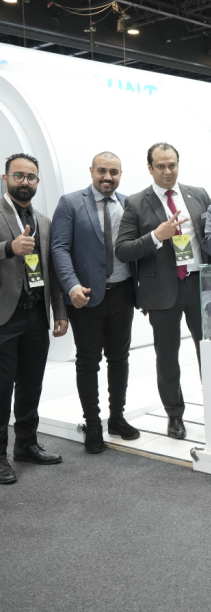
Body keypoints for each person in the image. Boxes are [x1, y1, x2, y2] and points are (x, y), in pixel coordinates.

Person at [115, 142, 211, 440]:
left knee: (209, 351)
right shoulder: (135, 202)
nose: (167, 171)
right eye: (160, 166)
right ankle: (175, 415)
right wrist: (156, 236)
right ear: (150, 168)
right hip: (161, 290)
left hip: (199, 284)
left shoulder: (198, 194)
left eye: (172, 165)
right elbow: (123, 250)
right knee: (167, 356)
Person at [50, 151, 139, 455]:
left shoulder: (128, 204)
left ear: (120, 174)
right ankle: (93, 423)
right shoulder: (70, 203)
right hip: (85, 296)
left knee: (120, 358)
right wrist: (71, 285)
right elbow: (59, 248)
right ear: (91, 171)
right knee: (88, 361)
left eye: (113, 172)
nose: (107, 177)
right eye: (102, 171)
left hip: (123, 293)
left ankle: (116, 418)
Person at [0, 153, 68, 484]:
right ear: (5, 178)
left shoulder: (44, 220)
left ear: (37, 181)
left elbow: (51, 270)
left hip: (37, 315)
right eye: (18, 176)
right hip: (4, 317)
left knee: (31, 385)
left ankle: (26, 445)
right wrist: (9, 248)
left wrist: (60, 311)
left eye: (30, 177)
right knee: (1, 390)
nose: (24, 182)